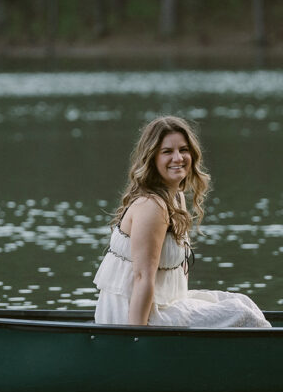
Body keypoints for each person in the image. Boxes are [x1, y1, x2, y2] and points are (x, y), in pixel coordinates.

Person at [93, 116, 270, 328]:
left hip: (165, 303)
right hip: (135, 317)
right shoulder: (152, 206)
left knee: (243, 303)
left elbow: (178, 272)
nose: (178, 158)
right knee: (243, 315)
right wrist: (136, 339)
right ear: (152, 158)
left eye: (183, 149)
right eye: (167, 151)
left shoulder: (176, 197)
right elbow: (142, 277)